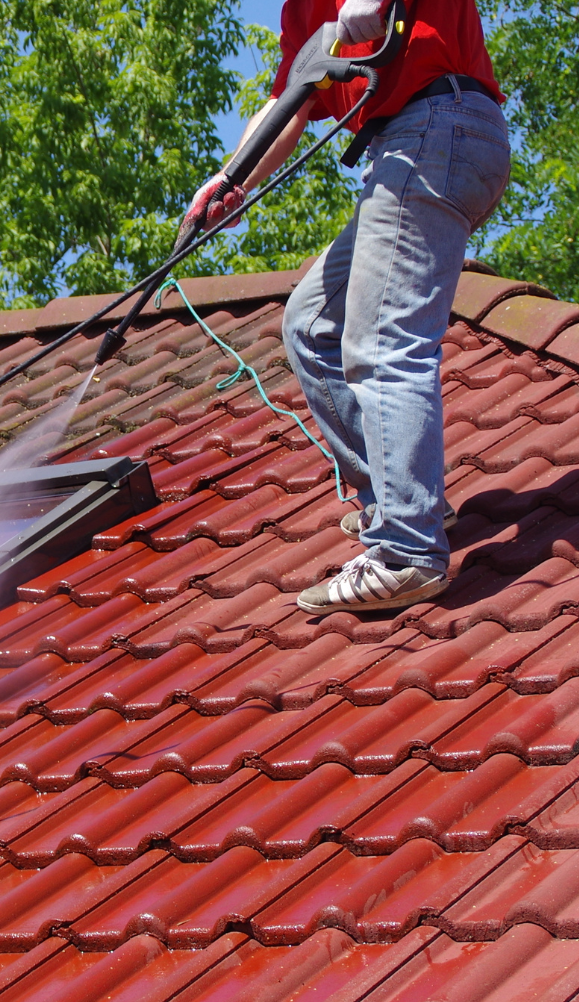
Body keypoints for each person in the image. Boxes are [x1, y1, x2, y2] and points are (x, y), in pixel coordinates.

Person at [184, 0, 510, 614]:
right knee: (312, 326)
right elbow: (296, 102)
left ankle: (407, 549)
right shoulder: (301, 13)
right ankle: (400, 498)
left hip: (441, 125)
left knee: (383, 342)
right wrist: (232, 179)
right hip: (414, 144)